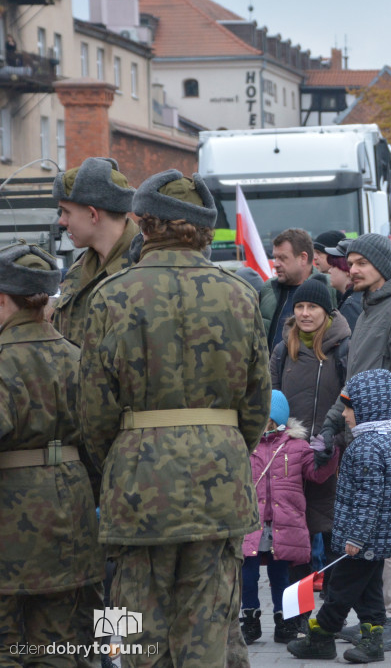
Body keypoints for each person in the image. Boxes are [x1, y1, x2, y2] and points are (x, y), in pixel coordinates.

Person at [78, 170, 272, 666]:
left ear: (144, 224)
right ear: (204, 230)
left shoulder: (111, 294)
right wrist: (224, 448)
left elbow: (95, 412)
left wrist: (118, 464)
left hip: (137, 484)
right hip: (222, 481)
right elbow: (256, 403)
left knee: (136, 635)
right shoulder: (241, 293)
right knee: (209, 633)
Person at [319, 232, 391, 651]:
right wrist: (332, 424)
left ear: (383, 265)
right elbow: (354, 384)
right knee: (380, 523)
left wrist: (377, 430)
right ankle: (378, 619)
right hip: (362, 433)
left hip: (386, 436)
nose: (354, 268)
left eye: (362, 262)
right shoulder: (370, 308)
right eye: (352, 262)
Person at [0, 244, 104, 665]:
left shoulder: (3, 360)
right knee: (65, 643)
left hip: (11, 519)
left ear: (3, 299)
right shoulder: (79, 356)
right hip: (74, 511)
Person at [287, 369, 391, 663]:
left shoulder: (366, 448)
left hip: (361, 541)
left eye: (348, 407)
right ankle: (372, 640)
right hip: (376, 541)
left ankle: (321, 637)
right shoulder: (386, 440)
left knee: (340, 590)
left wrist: (356, 536)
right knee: (369, 592)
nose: (343, 414)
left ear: (367, 408)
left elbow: (368, 499)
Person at [270, 278, 352, 604]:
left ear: (326, 311)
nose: (305, 313)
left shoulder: (343, 346)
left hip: (333, 455)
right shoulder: (282, 349)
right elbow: (273, 398)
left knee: (333, 533)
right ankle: (297, 617)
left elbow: (350, 400)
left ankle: (331, 616)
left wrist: (335, 440)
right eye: (300, 307)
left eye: (312, 307)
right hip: (292, 455)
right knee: (296, 539)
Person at [241, 390, 340, 645]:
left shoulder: (296, 446)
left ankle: (284, 620)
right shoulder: (246, 445)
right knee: (247, 573)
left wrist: (329, 456)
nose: (265, 425)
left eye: (269, 420)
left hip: (285, 524)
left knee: (282, 576)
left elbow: (316, 474)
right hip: (253, 524)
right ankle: (249, 617)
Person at [52, 157, 138, 347]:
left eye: (66, 212)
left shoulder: (144, 270)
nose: (62, 222)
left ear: (93, 214)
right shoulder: (79, 269)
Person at [261, 228, 335, 351]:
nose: (275, 264)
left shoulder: (330, 286)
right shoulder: (268, 289)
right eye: (275, 258)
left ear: (303, 258)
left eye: (282, 258)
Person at [324, 238, 363, 331]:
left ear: (346, 269)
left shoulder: (351, 305)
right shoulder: (353, 298)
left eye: (333, 266)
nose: (329, 271)